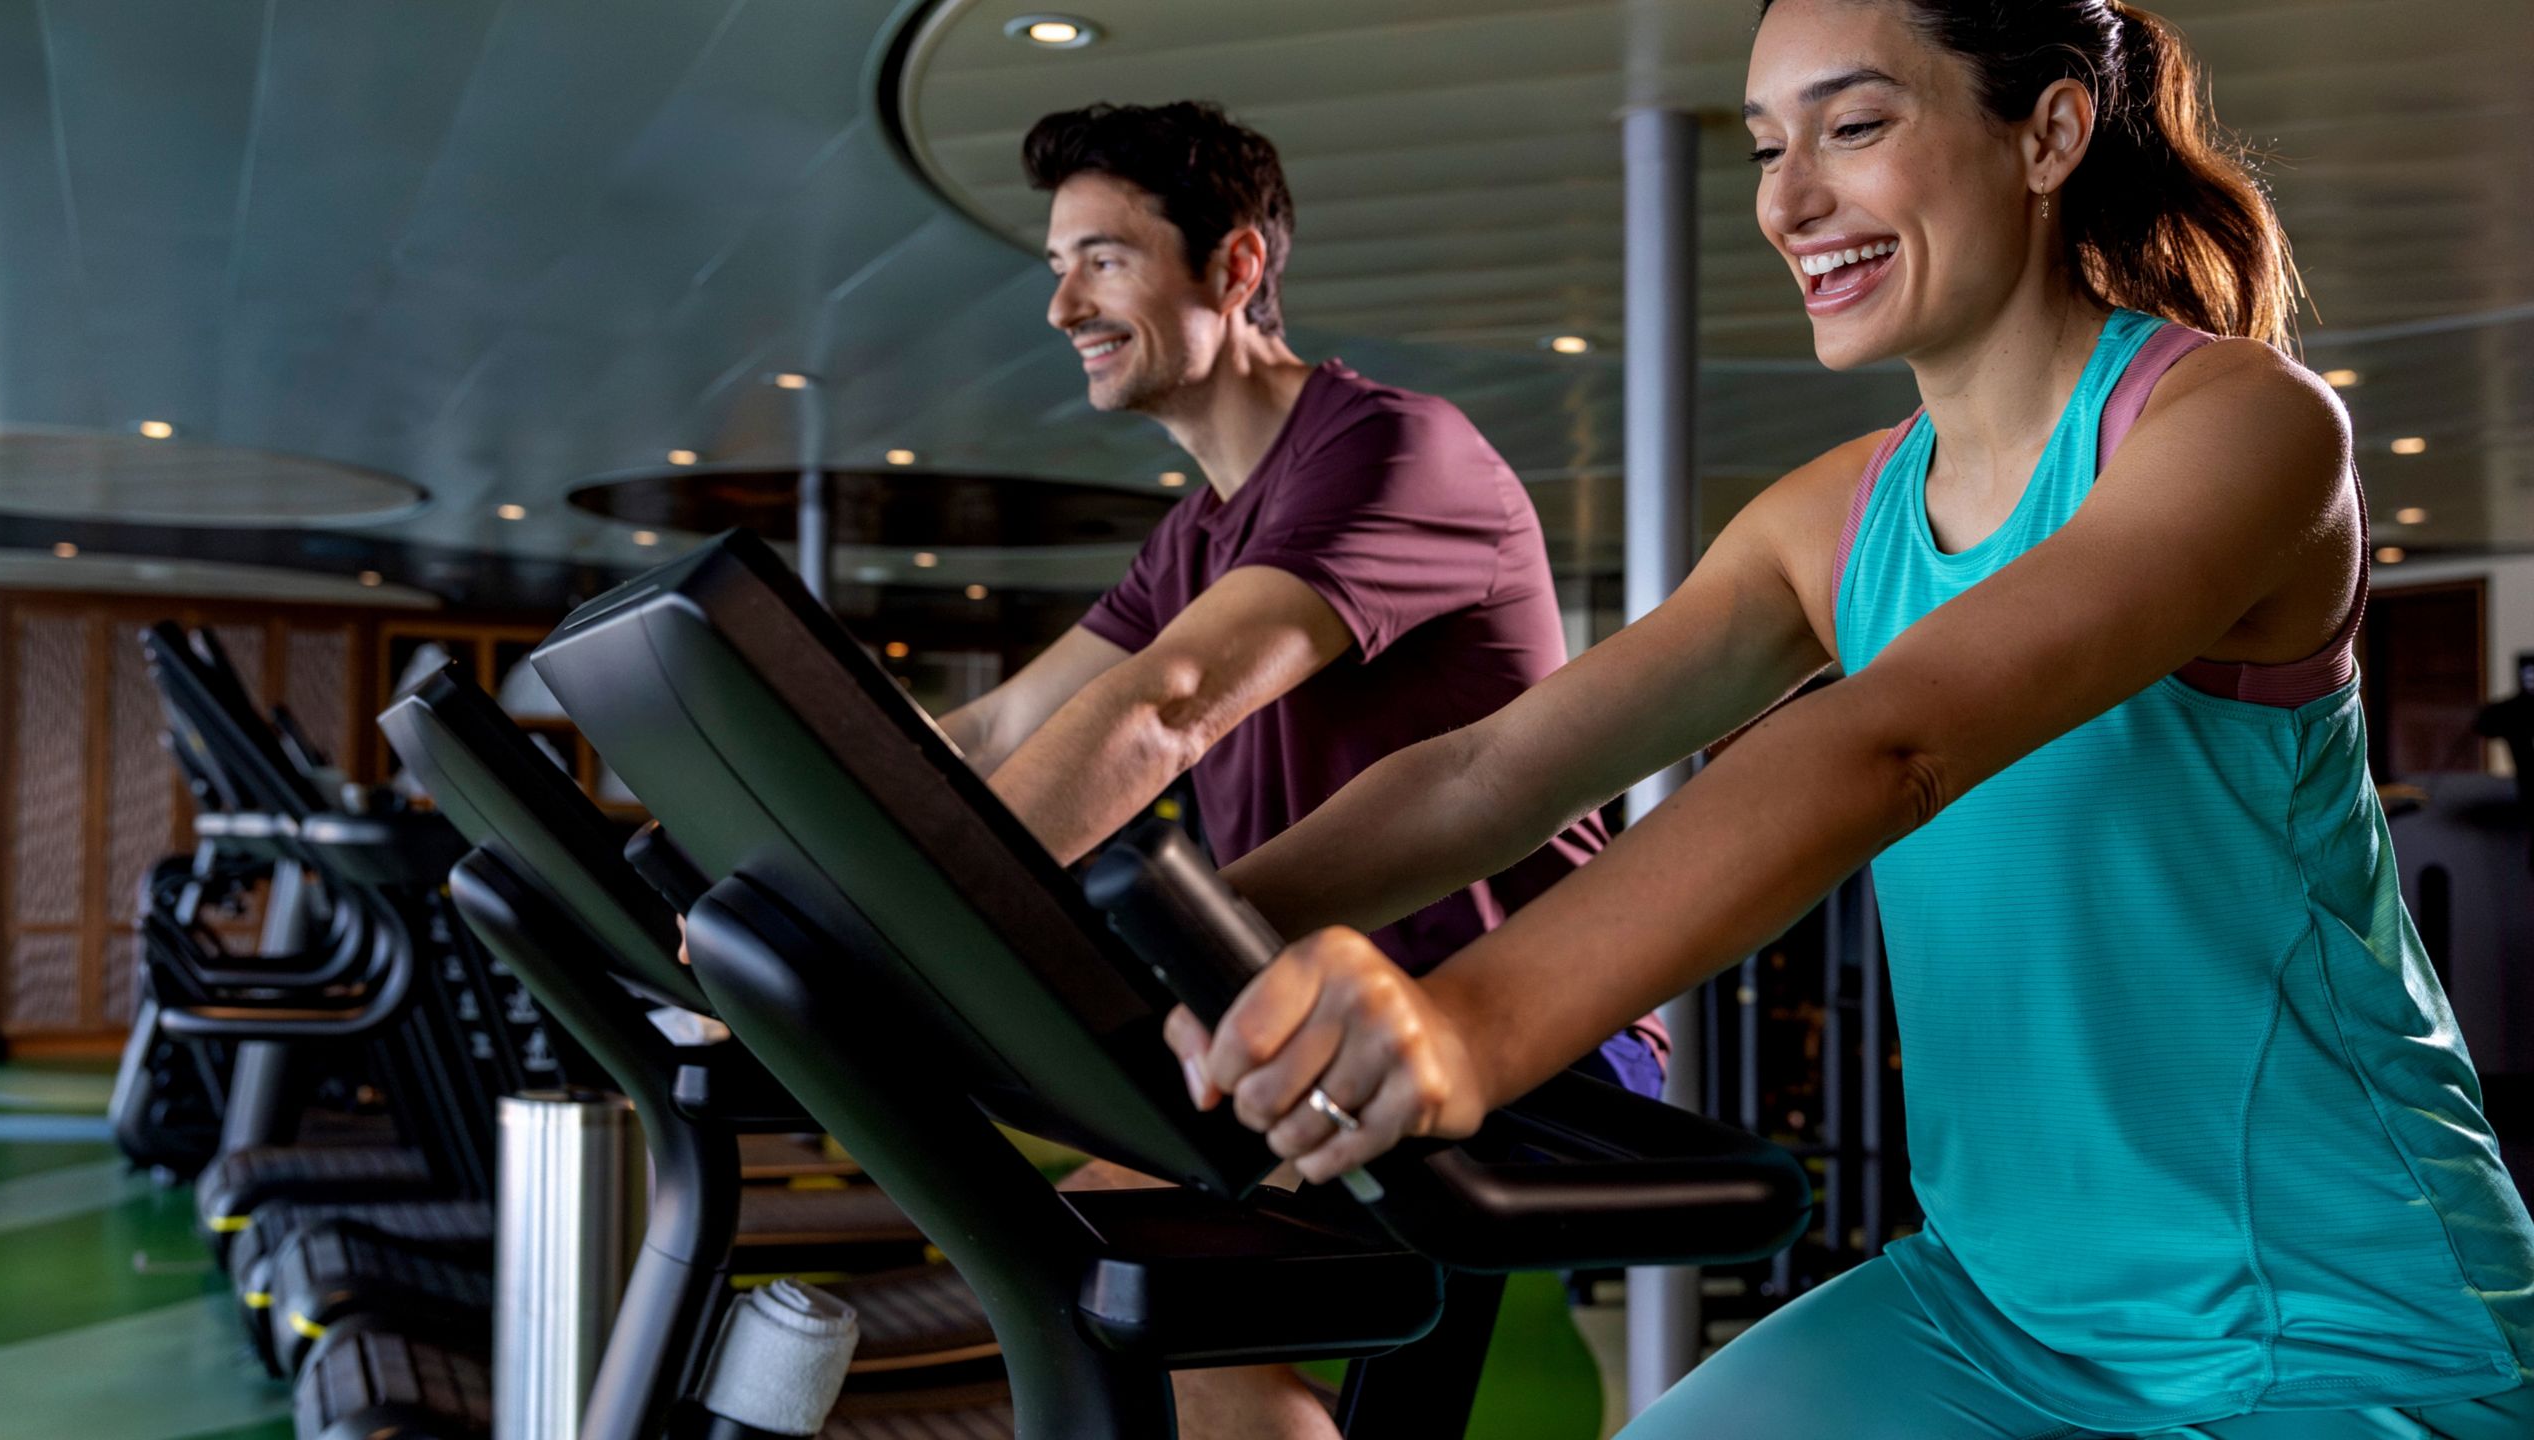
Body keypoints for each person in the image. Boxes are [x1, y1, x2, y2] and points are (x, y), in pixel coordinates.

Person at [1167, 4, 2534, 1437]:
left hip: (2334, 1321)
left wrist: (1468, 1028)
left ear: (2050, 133)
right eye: (1766, 146)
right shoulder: (1833, 517)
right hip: (2001, 1306)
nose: (1788, 198)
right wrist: (1166, 935)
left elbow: (1898, 743)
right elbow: (1490, 771)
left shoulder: (2242, 430)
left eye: (1854, 126)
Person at [931, 101, 1665, 1437]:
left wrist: (909, 914)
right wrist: (787, 842)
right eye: (1056, 266)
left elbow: (1171, 705)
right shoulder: (1198, 532)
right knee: (1102, 1256)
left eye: (1102, 259)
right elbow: (994, 735)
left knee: (1118, 1248)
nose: (1063, 309)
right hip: (1300, 1011)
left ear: (1238, 265)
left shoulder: (1391, 450)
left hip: (1522, 1020)